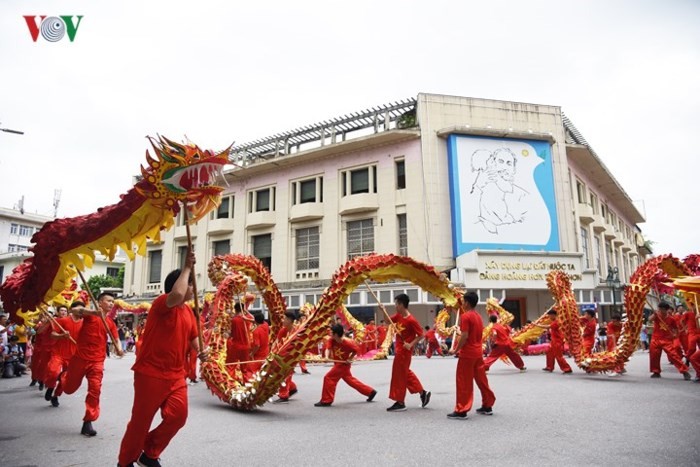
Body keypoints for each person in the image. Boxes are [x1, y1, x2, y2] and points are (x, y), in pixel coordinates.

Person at [118, 250, 206, 467]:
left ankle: (148, 452)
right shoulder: (161, 304)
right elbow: (176, 296)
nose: (193, 289)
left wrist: (203, 352)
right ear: (179, 284)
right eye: (190, 284)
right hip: (151, 373)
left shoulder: (187, 312)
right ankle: (125, 461)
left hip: (176, 375)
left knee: (178, 416)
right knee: (140, 422)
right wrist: (186, 267)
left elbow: (193, 338)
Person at [54, 292, 122, 437]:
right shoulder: (90, 315)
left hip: (97, 361)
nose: (111, 304)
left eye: (113, 301)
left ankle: (88, 421)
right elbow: (74, 310)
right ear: (100, 302)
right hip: (80, 359)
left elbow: (116, 338)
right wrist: (93, 312)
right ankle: (63, 377)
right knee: (69, 389)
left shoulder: (110, 322)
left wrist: (120, 349)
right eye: (108, 301)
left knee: (95, 389)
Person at [448, 291, 496, 420]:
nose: (462, 303)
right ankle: (487, 404)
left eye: (463, 301)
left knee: (463, 381)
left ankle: (461, 409)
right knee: (481, 380)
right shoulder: (478, 316)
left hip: (468, 354)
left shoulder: (466, 316)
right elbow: (469, 334)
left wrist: (455, 349)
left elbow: (465, 336)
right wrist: (461, 332)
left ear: (467, 302)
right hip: (477, 352)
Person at [386, 293, 430, 412]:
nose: (395, 306)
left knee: (399, 375)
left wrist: (410, 344)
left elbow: (421, 335)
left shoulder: (411, 320)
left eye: (396, 304)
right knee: (405, 373)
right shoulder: (399, 316)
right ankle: (423, 393)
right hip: (399, 350)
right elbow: (388, 320)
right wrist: (383, 310)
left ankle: (400, 402)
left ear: (401, 305)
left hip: (404, 351)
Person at [314, 324, 377, 407]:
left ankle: (327, 400)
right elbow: (328, 349)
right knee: (350, 380)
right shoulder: (332, 340)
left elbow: (356, 350)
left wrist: (350, 358)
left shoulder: (348, 342)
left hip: (343, 364)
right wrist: (326, 357)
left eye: (331, 332)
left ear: (336, 334)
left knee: (328, 378)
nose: (330, 334)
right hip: (338, 363)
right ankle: (370, 392)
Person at [44, 303, 83, 407]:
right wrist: (62, 336)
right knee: (53, 372)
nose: (80, 311)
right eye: (77, 308)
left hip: (73, 356)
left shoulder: (84, 323)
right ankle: (50, 387)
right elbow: (53, 335)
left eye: (82, 309)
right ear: (72, 310)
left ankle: (56, 395)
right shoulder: (62, 321)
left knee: (65, 379)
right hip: (58, 353)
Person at [648, 301, 691, 380]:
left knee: (674, 355)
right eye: (659, 309)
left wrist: (675, 334)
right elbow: (650, 319)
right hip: (655, 339)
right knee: (654, 356)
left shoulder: (671, 319)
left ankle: (684, 371)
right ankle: (656, 372)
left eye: (662, 309)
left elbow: (675, 329)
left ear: (666, 310)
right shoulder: (657, 315)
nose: (660, 310)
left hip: (666, 340)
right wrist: (654, 314)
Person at [273, 311, 300, 403]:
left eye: (284, 318)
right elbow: (276, 342)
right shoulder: (283, 330)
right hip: (282, 356)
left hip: (293, 356)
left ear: (290, 320)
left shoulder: (297, 330)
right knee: (283, 374)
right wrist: (272, 352)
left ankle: (284, 395)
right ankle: (292, 388)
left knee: (285, 375)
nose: (283, 320)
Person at [536, 309, 573, 374]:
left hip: (557, 341)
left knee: (558, 355)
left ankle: (567, 368)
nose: (549, 317)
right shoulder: (554, 321)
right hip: (554, 340)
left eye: (550, 315)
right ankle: (549, 367)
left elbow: (548, 327)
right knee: (549, 352)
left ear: (553, 315)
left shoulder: (556, 321)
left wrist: (537, 325)